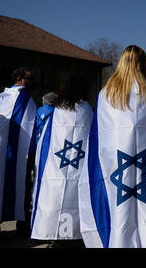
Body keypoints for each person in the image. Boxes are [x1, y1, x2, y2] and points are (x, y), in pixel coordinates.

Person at [78, 45, 146, 248]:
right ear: (145, 64)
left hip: (116, 168)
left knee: (119, 217)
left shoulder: (106, 93)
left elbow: (99, 139)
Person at [30, 75, 92, 247]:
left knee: (55, 201)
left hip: (57, 167)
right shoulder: (87, 111)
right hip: (79, 165)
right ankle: (76, 235)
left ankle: (54, 236)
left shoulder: (57, 111)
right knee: (76, 201)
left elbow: (45, 141)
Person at [0, 68, 36, 237]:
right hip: (17, 153)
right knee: (21, 188)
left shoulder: (2, 97)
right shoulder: (23, 98)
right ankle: (22, 228)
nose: (33, 82)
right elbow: (31, 125)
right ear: (19, 79)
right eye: (30, 78)